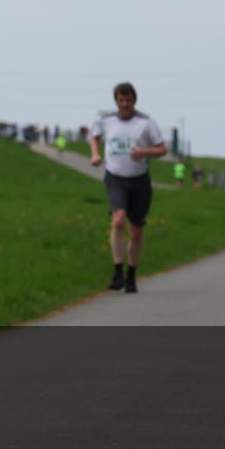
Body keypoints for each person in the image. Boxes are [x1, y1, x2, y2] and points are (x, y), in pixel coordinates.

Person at [89, 82, 168, 294]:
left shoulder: (146, 122)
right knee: (117, 220)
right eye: (121, 100)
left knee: (136, 231)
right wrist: (95, 153)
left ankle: (132, 275)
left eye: (128, 100)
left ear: (135, 101)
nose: (125, 104)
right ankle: (117, 272)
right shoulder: (106, 120)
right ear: (116, 101)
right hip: (115, 178)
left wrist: (144, 152)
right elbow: (94, 136)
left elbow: (163, 149)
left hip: (140, 181)